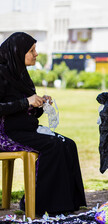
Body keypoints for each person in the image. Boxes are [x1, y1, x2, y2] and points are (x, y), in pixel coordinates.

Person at [0, 32, 86, 215]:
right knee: (52, 146)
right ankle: (41, 204)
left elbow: (26, 111)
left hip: (24, 128)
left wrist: (40, 104)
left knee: (68, 144)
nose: (36, 54)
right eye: (31, 50)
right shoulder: (1, 74)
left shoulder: (21, 75)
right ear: (17, 52)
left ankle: (69, 202)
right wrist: (26, 102)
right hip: (6, 133)